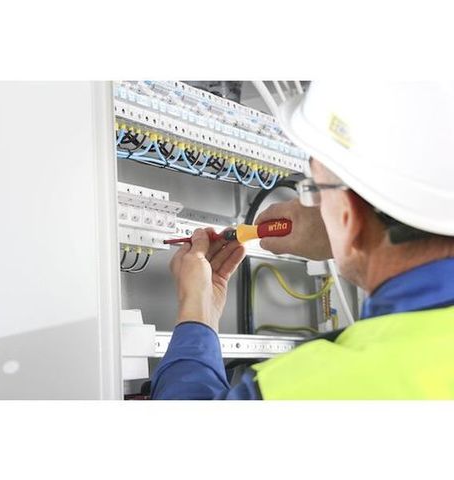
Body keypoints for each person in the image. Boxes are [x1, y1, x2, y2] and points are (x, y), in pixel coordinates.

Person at [151, 82, 454, 399]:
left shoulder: (321, 386)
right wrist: (347, 233)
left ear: (348, 215)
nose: (312, 203)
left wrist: (197, 310)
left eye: (313, 189)